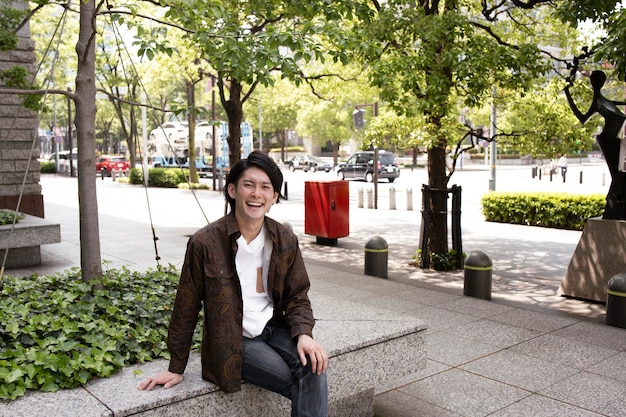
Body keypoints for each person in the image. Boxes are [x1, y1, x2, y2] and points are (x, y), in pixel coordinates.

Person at [138, 151, 329, 417]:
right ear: (232, 190)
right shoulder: (205, 242)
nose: (256, 194)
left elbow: (297, 294)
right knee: (306, 380)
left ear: (274, 196)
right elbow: (186, 305)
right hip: (233, 340)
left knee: (314, 366)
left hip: (274, 329)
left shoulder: (284, 239)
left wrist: (304, 334)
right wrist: (176, 367)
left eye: (266, 187)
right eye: (248, 185)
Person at [564, 69, 626, 219]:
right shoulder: (597, 102)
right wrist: (568, 95)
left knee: (620, 174)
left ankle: (617, 202)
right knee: (617, 174)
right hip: (606, 140)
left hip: (615, 140)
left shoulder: (606, 100)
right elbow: (583, 117)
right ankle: (615, 203)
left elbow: (621, 104)